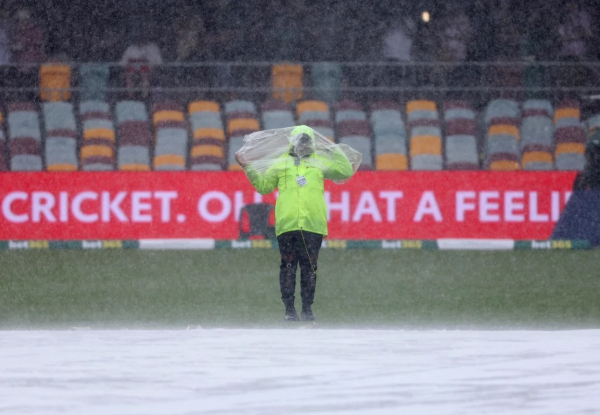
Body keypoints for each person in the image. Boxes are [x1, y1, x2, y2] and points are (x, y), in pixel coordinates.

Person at [235, 126, 355, 322]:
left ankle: (307, 309)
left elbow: (345, 170)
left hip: (312, 224)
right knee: (289, 266)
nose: (304, 145)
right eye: (301, 141)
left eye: (307, 141)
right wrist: (247, 167)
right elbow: (264, 187)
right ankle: (289, 309)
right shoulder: (281, 164)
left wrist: (332, 149)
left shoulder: (319, 162)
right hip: (288, 224)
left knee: (309, 268)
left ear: (312, 143)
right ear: (293, 142)